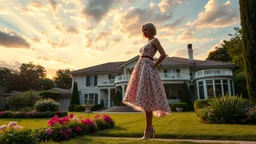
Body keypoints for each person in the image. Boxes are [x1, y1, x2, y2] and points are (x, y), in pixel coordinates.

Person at [122, 23, 171, 140]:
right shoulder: (145, 43)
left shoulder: (155, 40)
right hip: (141, 69)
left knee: (147, 101)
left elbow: (163, 54)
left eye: (147, 29)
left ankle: (148, 130)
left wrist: (154, 64)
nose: (145, 31)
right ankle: (149, 129)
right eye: (143, 30)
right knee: (144, 101)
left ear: (152, 30)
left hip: (148, 69)